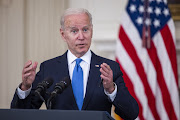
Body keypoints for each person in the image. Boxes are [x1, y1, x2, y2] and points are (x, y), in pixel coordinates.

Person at [11, 8, 139, 120]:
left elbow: (131, 113)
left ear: (91, 31)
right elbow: (20, 114)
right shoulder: (48, 68)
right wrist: (25, 88)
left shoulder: (109, 68)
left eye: (85, 29)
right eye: (74, 31)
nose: (81, 36)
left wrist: (111, 89)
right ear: (63, 34)